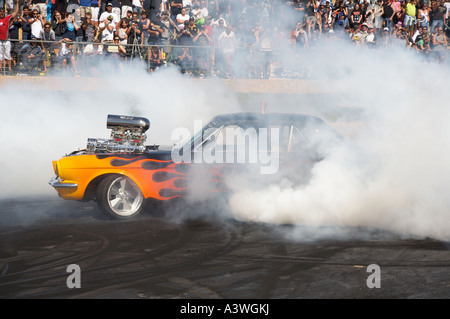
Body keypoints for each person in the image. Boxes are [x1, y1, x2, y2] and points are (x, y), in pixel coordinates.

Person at [0, 0, 19, 75]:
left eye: (3, 11)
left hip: (6, 39)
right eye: (0, 11)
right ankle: (0, 70)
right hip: (0, 40)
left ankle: (10, 70)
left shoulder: (7, 18)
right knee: (0, 56)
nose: (2, 13)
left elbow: (15, 13)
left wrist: (17, 4)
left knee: (7, 54)